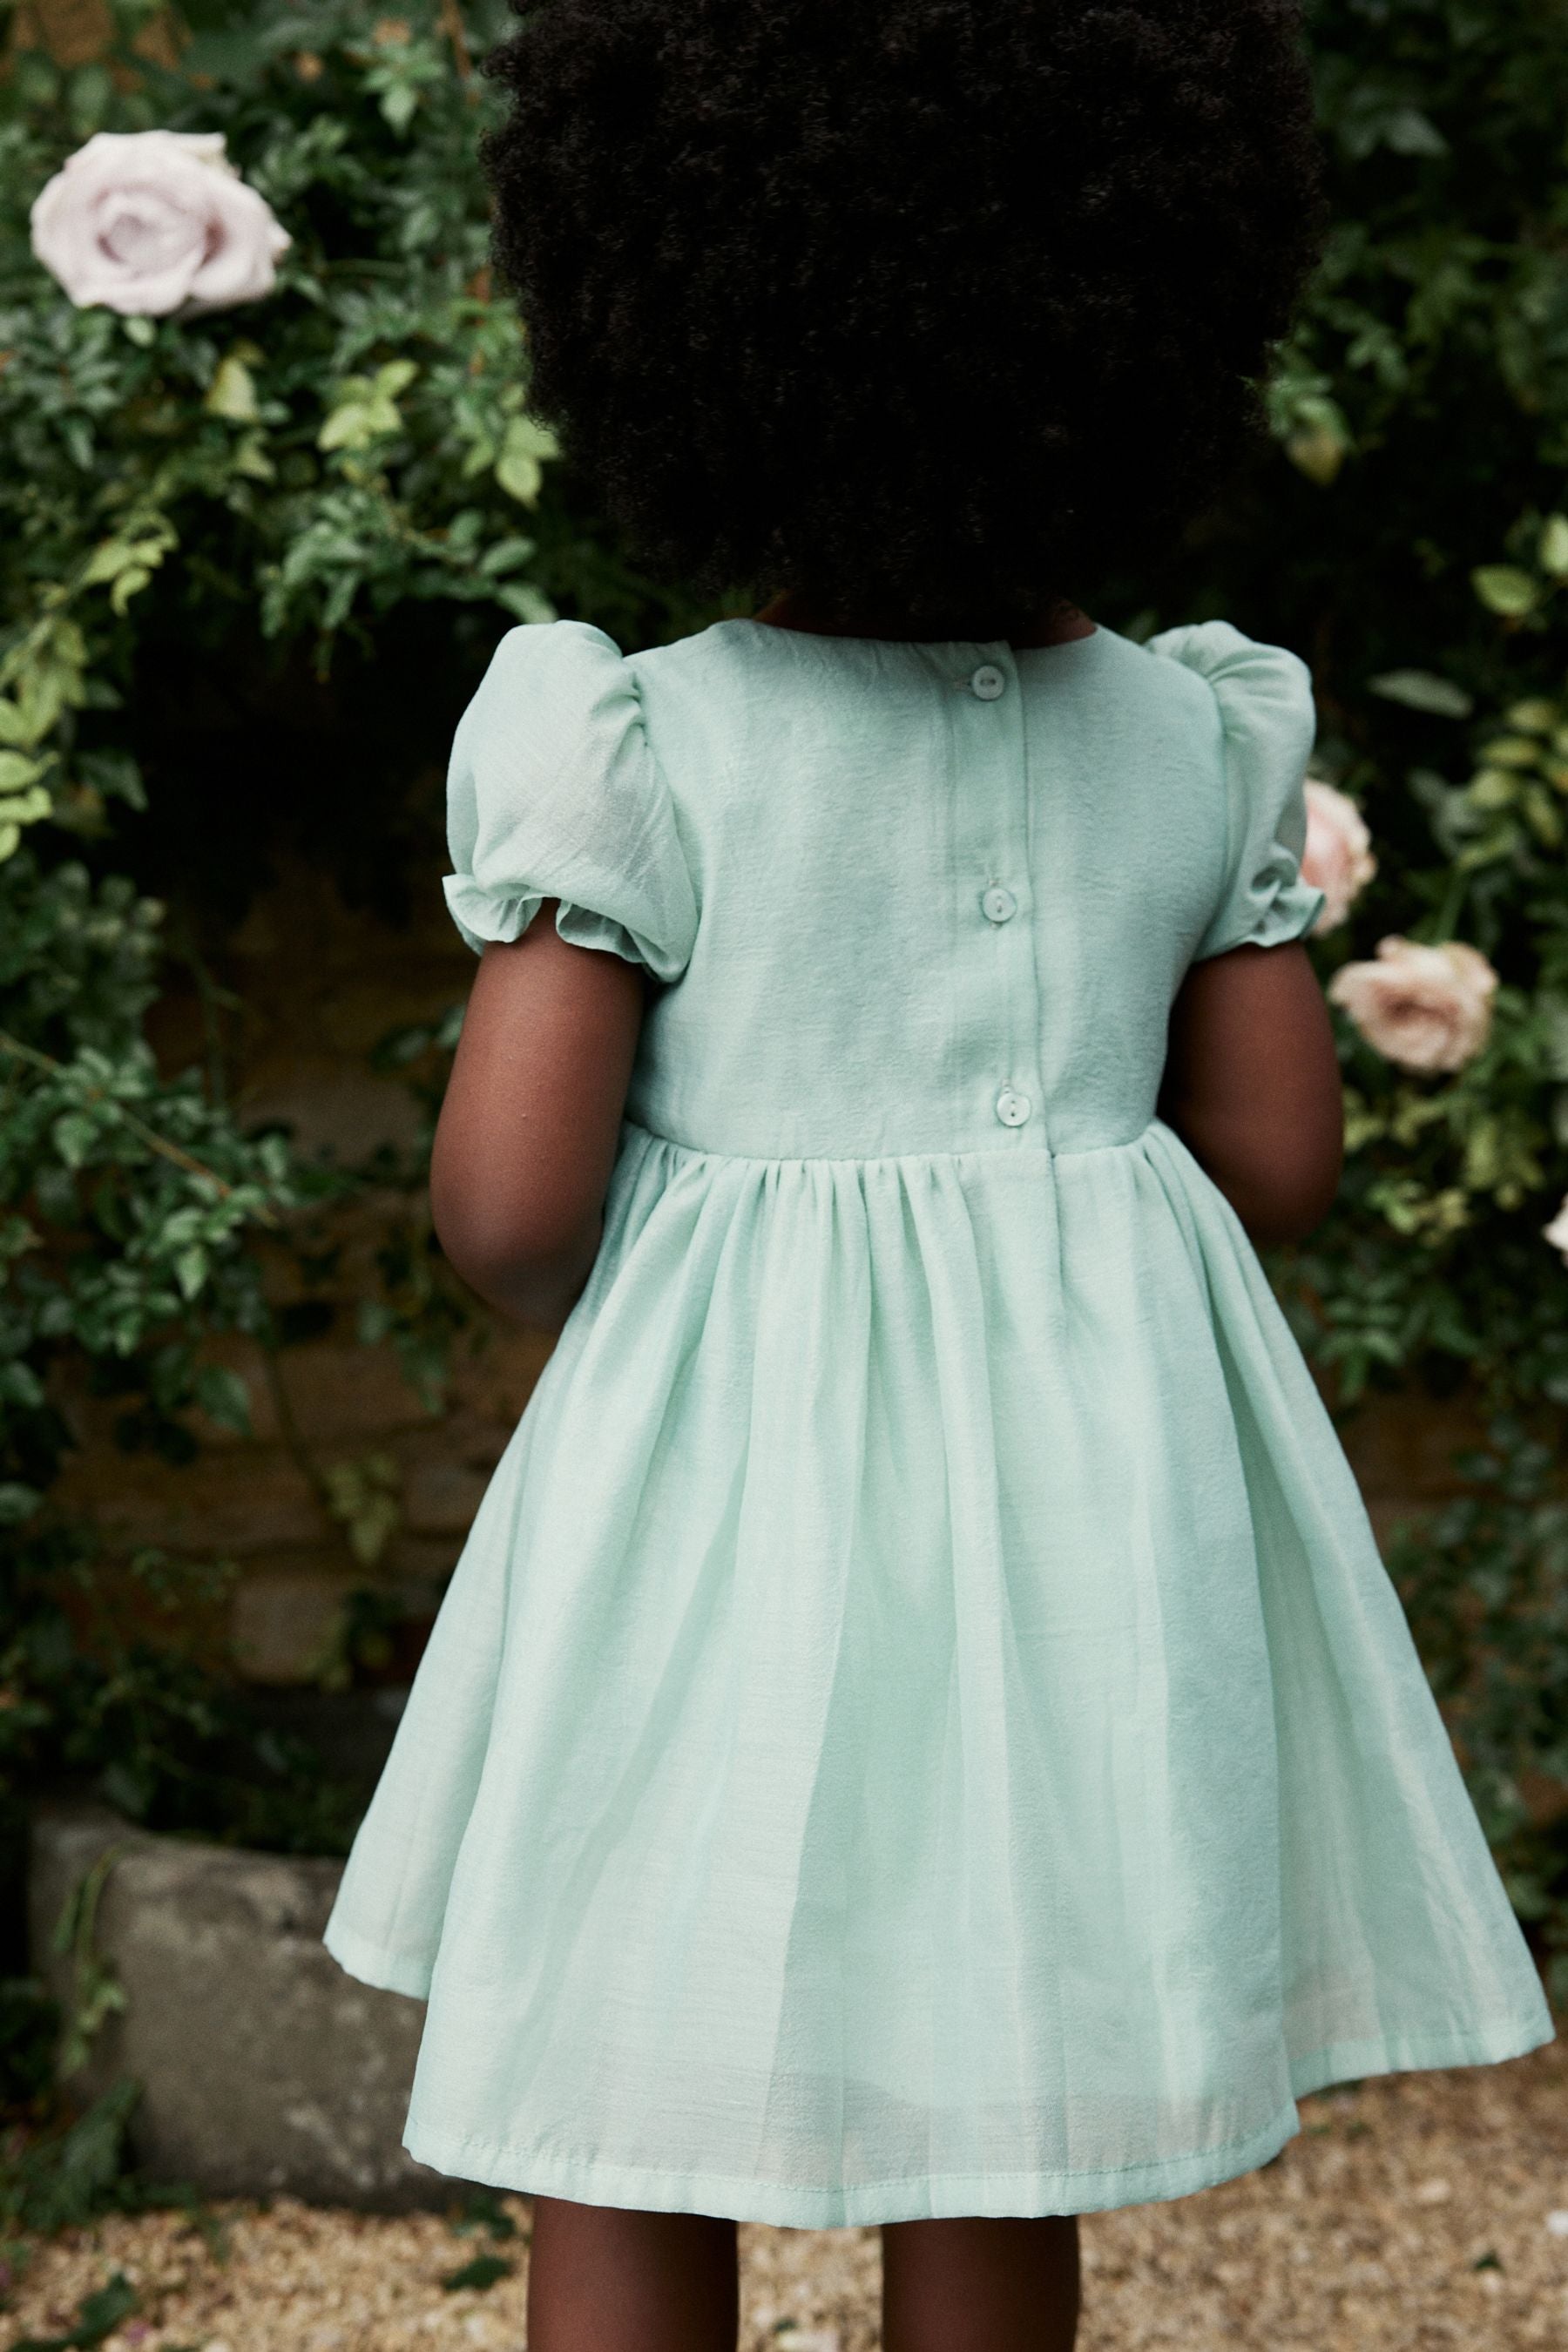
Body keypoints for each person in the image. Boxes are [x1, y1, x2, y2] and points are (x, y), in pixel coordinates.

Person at [322, 4, 1555, 2345]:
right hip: (1082, 1522)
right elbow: (1280, 1159)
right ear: (1155, 314)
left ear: (673, 305)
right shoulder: (1190, 737)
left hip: (713, 1511)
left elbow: (504, 1208)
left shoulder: (639, 742)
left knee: (629, 2062)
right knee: (1014, 2055)